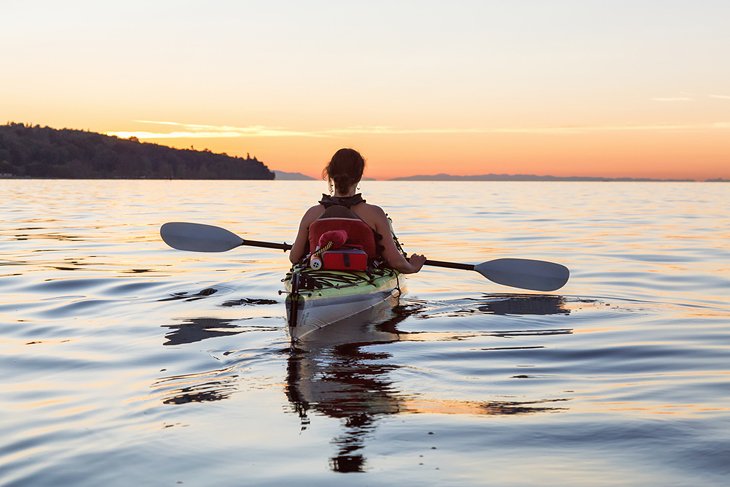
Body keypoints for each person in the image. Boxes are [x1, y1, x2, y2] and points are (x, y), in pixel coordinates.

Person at [289, 148, 427, 274]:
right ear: (359, 176)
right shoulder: (374, 214)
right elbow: (396, 262)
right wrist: (413, 267)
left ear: (330, 174)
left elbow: (294, 257)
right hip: (362, 281)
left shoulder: (312, 214)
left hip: (317, 277)